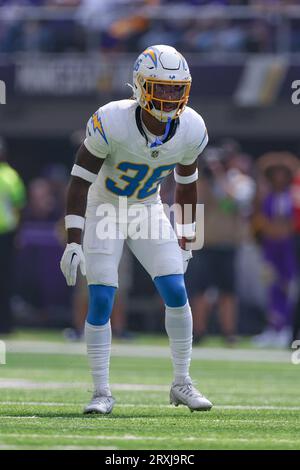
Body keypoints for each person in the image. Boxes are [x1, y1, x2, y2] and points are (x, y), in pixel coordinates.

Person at [60, 45, 212, 414]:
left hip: (147, 208)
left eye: (177, 89)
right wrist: (73, 241)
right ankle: (101, 391)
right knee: (102, 297)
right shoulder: (112, 120)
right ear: (141, 87)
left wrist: (188, 233)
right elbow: (79, 181)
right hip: (104, 209)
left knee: (175, 288)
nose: (171, 96)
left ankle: (182, 382)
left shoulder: (192, 126)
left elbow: (187, 180)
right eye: (162, 87)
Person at [0, 137, 26, 333]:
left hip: (6, 234)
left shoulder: (11, 176)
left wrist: (17, 232)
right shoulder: (11, 176)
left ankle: (6, 324)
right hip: (7, 234)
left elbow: (19, 207)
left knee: (5, 279)